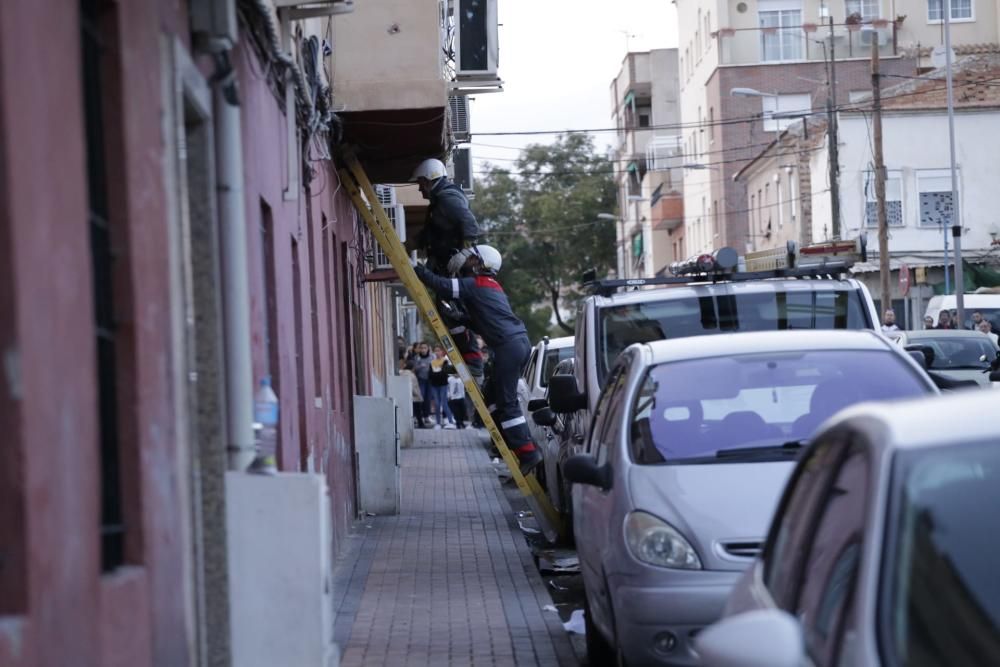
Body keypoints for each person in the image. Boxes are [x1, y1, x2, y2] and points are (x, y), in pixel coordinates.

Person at [412, 245, 543, 474]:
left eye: (472, 258)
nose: (467, 260)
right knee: (491, 395)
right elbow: (484, 322)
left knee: (507, 402)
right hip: (516, 343)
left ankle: (527, 452)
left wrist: (416, 268)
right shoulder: (491, 286)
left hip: (507, 347)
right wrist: (460, 317)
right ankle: (504, 442)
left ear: (480, 263)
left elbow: (443, 285)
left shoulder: (476, 284)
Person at [410, 158, 480, 274]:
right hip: (444, 262)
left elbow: (471, 226)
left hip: (454, 267)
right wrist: (407, 244)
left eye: (420, 183)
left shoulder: (447, 198)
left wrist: (464, 254)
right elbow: (433, 233)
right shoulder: (439, 200)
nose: (419, 189)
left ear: (427, 181)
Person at [428, 345, 455, 429]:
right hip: (434, 385)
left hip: (443, 385)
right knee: (437, 404)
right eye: (435, 350)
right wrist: (437, 373)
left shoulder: (445, 361)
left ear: (442, 352)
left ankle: (451, 421)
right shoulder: (432, 362)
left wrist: (436, 373)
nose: (437, 352)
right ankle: (438, 423)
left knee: (444, 403)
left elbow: (444, 373)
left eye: (439, 350)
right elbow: (430, 375)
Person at [411, 342, 433, 426]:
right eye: (422, 348)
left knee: (428, 399)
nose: (423, 350)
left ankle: (427, 416)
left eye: (425, 348)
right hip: (420, 380)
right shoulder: (417, 357)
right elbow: (414, 368)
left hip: (430, 380)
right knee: (421, 398)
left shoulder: (432, 357)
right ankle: (418, 416)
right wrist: (420, 366)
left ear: (428, 349)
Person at [400, 359, 425, 429]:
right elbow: (414, 387)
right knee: (418, 411)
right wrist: (418, 396)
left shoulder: (401, 373)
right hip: (414, 397)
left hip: (406, 396)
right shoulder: (411, 375)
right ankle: (421, 424)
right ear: (413, 367)